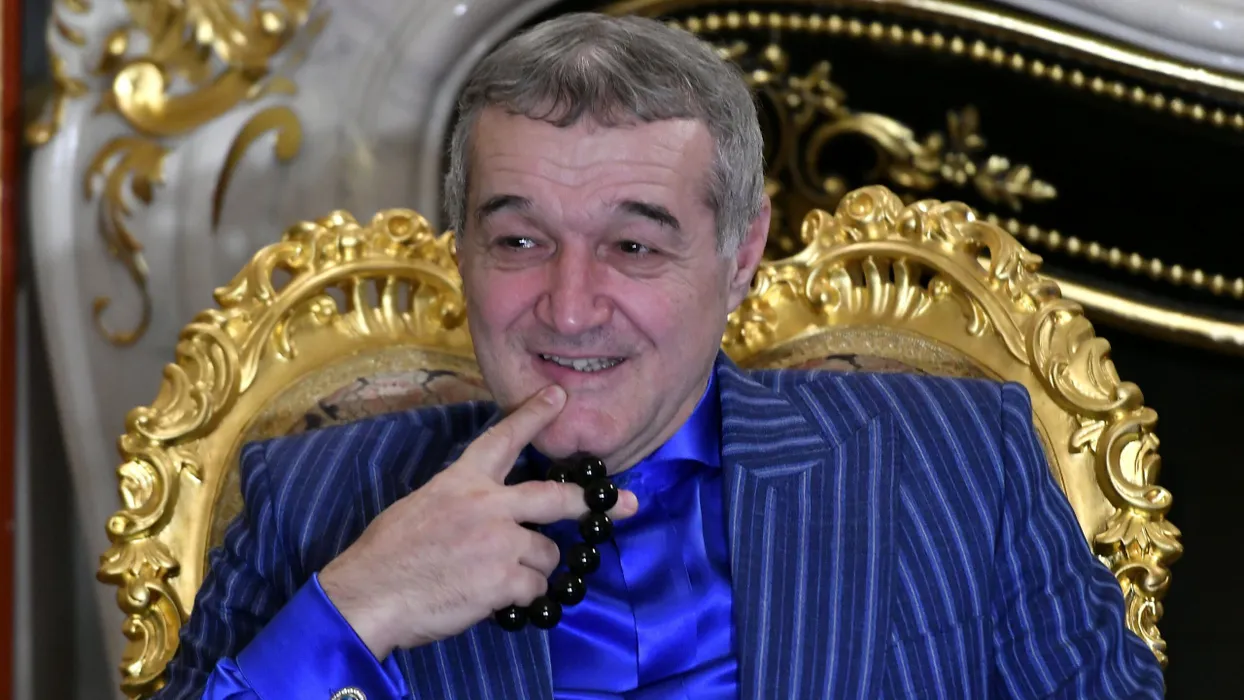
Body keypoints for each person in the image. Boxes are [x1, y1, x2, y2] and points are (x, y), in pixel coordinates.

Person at [155, 12, 1164, 700]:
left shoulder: (958, 461)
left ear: (740, 256)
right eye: (518, 239)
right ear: (460, 248)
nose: (570, 306)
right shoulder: (312, 500)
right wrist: (353, 611)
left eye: (633, 247)